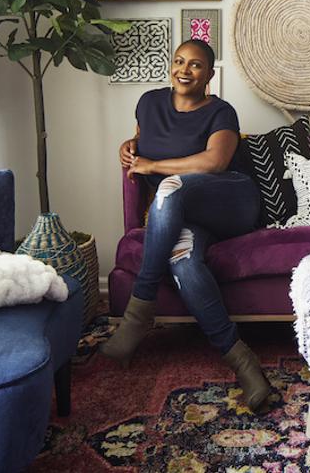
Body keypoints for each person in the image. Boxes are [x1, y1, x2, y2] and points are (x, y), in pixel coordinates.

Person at [101, 39, 272, 412]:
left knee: (169, 186)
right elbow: (144, 142)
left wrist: (153, 166)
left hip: (230, 201)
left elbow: (214, 162)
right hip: (181, 213)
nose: (184, 70)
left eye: (195, 65)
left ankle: (139, 309)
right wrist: (130, 147)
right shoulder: (149, 103)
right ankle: (244, 363)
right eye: (179, 61)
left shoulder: (222, 112)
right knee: (183, 261)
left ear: (209, 75)